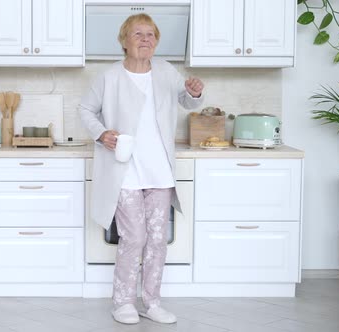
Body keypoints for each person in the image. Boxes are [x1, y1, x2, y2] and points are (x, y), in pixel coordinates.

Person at [78, 13, 204, 325]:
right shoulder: (109, 76)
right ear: (124, 41)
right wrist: (101, 133)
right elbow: (85, 110)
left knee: (157, 239)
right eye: (138, 34)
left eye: (150, 34)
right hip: (125, 170)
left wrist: (194, 92)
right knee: (134, 237)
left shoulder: (166, 71)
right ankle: (122, 302)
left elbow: (188, 103)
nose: (145, 39)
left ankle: (151, 301)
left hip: (159, 170)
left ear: (156, 41)